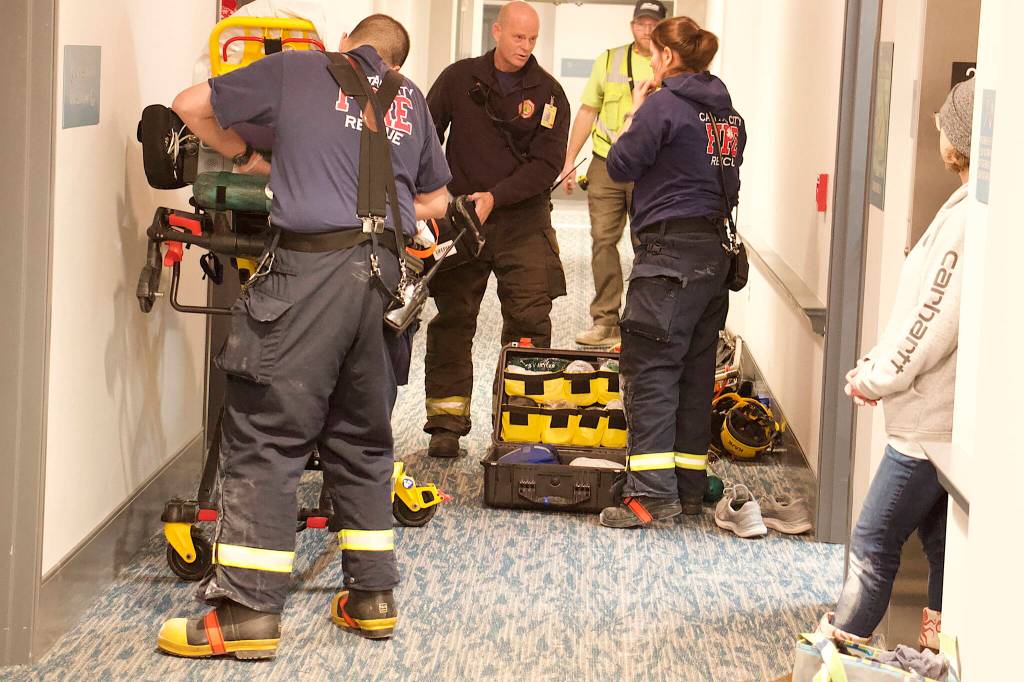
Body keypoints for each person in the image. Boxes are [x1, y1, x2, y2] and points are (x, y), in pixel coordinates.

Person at [159, 14, 451, 658]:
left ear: (344, 42)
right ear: (395, 63)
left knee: (267, 436)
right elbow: (434, 202)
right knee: (364, 440)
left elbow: (187, 107)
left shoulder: (299, 68)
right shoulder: (410, 99)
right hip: (383, 282)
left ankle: (245, 614)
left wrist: (252, 159)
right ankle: (371, 597)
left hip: (307, 274)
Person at [817, 78, 975, 652]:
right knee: (942, 549)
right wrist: (875, 362)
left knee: (872, 541)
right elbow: (917, 311)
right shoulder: (962, 206)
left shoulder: (964, 222)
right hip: (932, 415)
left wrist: (881, 377)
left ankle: (833, 656)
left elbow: (932, 320)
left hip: (926, 424)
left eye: (942, 124)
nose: (935, 130)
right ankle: (935, 653)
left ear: (958, 138)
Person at [596, 17, 746, 528]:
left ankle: (649, 496)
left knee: (651, 371)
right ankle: (686, 489)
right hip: (713, 259)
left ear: (664, 57)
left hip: (669, 260)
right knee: (695, 375)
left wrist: (636, 111)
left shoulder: (663, 105)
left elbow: (619, 165)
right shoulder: (727, 115)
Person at [422, 1, 570, 458]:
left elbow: (547, 165)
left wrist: (496, 197)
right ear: (498, 32)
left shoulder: (549, 94)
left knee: (528, 323)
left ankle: (517, 424)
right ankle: (446, 422)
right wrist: (433, 200)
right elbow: (425, 139)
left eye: (532, 39)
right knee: (452, 320)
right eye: (518, 37)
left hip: (522, 222)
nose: (525, 47)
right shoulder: (459, 78)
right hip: (462, 219)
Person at [561, 0, 667, 349]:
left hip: (649, 169)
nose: (646, 29)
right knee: (603, 242)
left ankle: (640, 321)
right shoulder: (609, 59)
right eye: (641, 23)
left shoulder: (669, 65)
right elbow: (588, 110)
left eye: (653, 24)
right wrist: (568, 161)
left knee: (647, 245)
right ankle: (605, 320)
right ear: (632, 24)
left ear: (663, 26)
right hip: (606, 163)